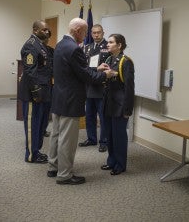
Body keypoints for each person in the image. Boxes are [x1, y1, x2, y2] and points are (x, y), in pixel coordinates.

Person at [47, 17, 115, 185]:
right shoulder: (75, 49)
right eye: (85, 32)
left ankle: (53, 167)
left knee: (56, 135)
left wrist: (94, 68)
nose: (86, 36)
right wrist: (104, 74)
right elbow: (86, 76)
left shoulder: (61, 44)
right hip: (71, 100)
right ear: (78, 31)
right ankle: (65, 175)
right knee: (67, 140)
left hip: (59, 98)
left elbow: (74, 70)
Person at [19, 20, 53, 164]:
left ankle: (37, 151)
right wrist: (36, 91)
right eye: (44, 30)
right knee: (33, 125)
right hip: (34, 93)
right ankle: (31, 155)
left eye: (47, 30)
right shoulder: (30, 45)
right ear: (35, 30)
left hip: (44, 91)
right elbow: (30, 71)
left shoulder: (42, 45)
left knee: (41, 123)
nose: (46, 32)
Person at [100, 34, 134, 175]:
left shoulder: (125, 61)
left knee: (119, 136)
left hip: (120, 104)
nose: (107, 44)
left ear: (119, 45)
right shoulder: (109, 59)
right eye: (107, 42)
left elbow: (129, 87)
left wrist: (127, 109)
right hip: (108, 103)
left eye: (111, 42)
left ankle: (120, 165)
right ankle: (111, 161)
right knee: (109, 134)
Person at [79, 24, 110, 152]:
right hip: (89, 87)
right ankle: (91, 138)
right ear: (91, 34)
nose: (96, 35)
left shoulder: (108, 47)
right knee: (89, 115)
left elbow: (109, 67)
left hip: (102, 87)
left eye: (99, 32)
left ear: (103, 33)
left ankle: (104, 141)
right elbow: (84, 67)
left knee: (102, 116)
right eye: (94, 33)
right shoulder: (87, 47)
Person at [42, 30, 54, 138]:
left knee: (46, 109)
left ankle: (44, 129)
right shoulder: (35, 49)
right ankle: (39, 130)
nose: (46, 39)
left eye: (47, 37)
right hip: (39, 84)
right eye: (44, 37)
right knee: (39, 110)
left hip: (49, 83)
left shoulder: (51, 50)